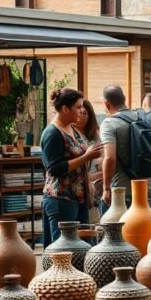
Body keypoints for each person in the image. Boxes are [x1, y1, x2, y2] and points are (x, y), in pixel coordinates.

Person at [41, 88, 103, 244]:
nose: (82, 111)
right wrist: (86, 156)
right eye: (78, 107)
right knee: (64, 250)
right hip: (61, 198)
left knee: (82, 247)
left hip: (78, 198)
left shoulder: (72, 129)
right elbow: (55, 169)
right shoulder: (52, 133)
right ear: (65, 109)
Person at [100, 85, 140, 215]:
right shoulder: (142, 118)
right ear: (124, 98)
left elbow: (110, 157)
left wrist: (106, 188)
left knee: (113, 233)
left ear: (106, 103)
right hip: (147, 187)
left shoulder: (109, 123)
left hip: (122, 189)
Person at [75, 100, 103, 223]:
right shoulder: (69, 137)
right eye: (79, 112)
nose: (81, 116)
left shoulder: (95, 138)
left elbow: (102, 169)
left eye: (85, 113)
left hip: (93, 192)